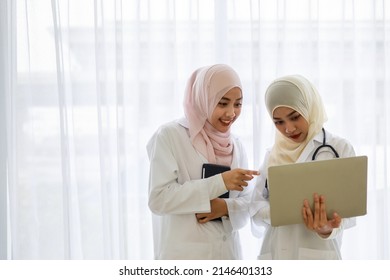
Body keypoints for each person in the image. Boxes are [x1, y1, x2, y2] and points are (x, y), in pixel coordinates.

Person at [147, 64, 259, 260]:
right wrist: (220, 183)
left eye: (238, 104)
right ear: (203, 99)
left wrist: (225, 208)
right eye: (222, 103)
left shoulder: (237, 145)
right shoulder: (171, 136)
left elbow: (248, 201)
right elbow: (158, 199)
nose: (231, 113)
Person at [250, 74, 356, 260]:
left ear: (309, 107)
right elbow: (255, 208)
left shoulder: (338, 149)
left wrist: (326, 229)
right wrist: (284, 212)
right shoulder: (272, 154)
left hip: (318, 255)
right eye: (279, 122)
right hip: (276, 252)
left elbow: (348, 211)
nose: (289, 129)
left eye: (295, 117)